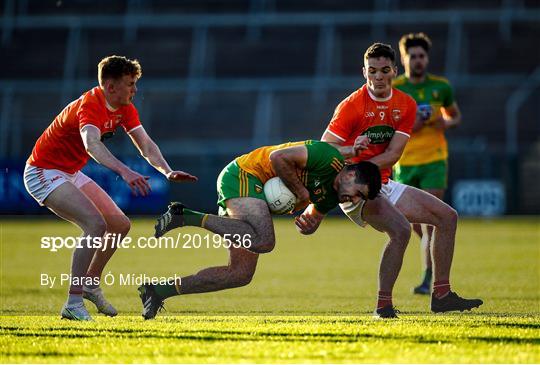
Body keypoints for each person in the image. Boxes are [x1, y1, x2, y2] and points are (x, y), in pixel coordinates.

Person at [23, 55, 197, 321]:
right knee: (95, 225)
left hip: (69, 172)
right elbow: (92, 144)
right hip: (43, 171)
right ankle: (73, 302)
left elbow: (146, 145)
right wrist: (125, 172)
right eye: (130, 84)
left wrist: (167, 170)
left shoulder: (124, 107)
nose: (135, 90)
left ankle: (91, 283)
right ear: (110, 86)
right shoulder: (90, 105)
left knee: (119, 224)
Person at [321, 43, 482, 318]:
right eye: (372, 71)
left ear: (394, 71)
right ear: (364, 72)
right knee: (402, 231)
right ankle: (382, 306)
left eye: (385, 70)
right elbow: (323, 150)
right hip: (353, 187)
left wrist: (368, 167)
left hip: (383, 183)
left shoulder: (405, 104)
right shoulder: (350, 106)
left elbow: (394, 154)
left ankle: (441, 294)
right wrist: (351, 168)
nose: (379, 77)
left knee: (447, 217)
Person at [138, 140, 382, 320]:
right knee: (264, 240)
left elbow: (312, 219)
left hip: (256, 194)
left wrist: (308, 226)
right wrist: (300, 192)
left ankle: (157, 291)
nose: (354, 198)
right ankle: (184, 216)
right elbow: (278, 157)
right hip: (245, 174)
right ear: (350, 173)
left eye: (360, 197)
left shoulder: (332, 198)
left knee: (240, 274)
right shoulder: (328, 157)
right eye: (358, 191)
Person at [392, 33, 462, 295]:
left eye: (422, 56)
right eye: (413, 56)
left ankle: (428, 278)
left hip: (434, 159)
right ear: (404, 58)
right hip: (404, 163)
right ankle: (432, 261)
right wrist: (412, 125)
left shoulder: (441, 87)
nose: (418, 60)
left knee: (432, 221)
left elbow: (455, 116)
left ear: (427, 58)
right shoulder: (396, 88)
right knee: (416, 226)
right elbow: (391, 124)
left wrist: (447, 122)